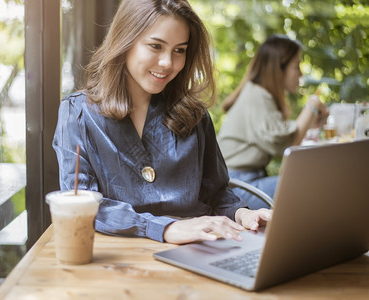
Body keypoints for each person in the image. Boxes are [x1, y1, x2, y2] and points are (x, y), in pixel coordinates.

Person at [53, 0, 271, 245]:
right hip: (119, 257)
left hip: (200, 251)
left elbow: (217, 193)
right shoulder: (77, 113)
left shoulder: (194, 115)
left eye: (179, 50)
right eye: (156, 46)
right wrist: (166, 228)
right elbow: (83, 203)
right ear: (125, 42)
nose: (168, 62)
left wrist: (245, 215)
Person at [217, 34, 329, 210]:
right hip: (237, 187)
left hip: (245, 180)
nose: (300, 73)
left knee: (309, 179)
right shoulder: (257, 95)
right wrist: (312, 106)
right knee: (311, 182)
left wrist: (311, 122)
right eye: (296, 66)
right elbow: (284, 143)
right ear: (279, 68)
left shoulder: (258, 94)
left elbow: (283, 136)